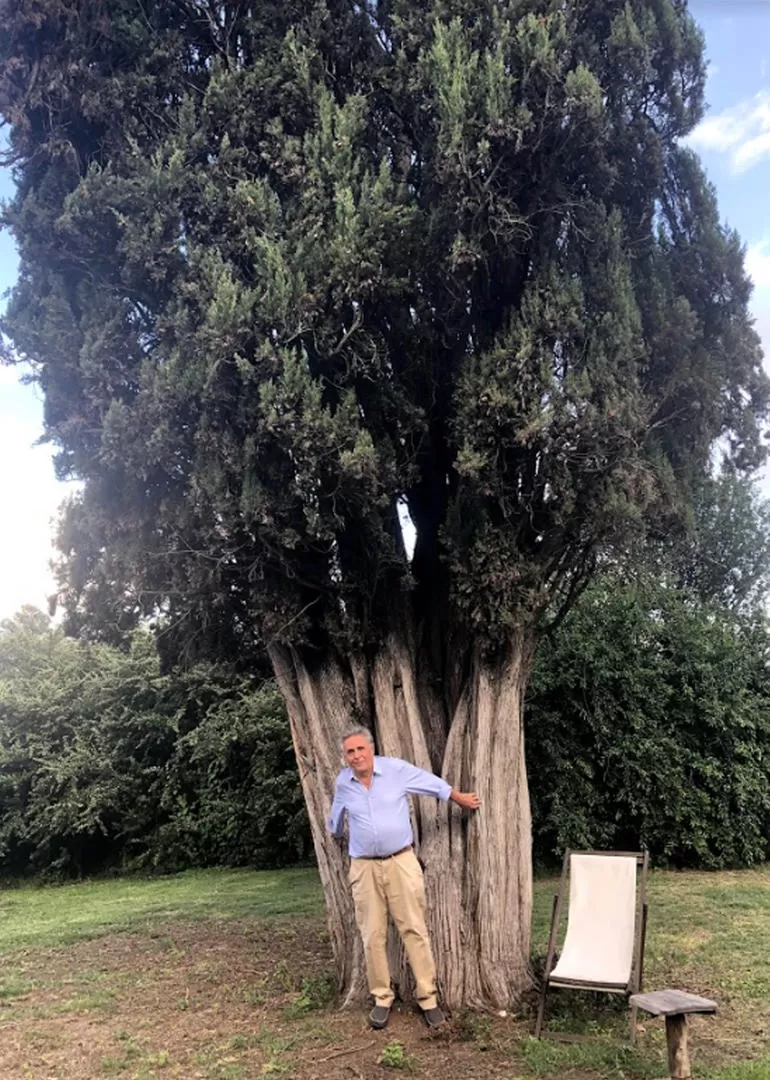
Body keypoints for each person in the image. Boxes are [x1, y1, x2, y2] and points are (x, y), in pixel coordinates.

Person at [327, 726, 481, 1030]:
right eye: (350, 752)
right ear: (345, 757)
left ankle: (428, 998)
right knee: (372, 934)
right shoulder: (344, 782)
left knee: (414, 929)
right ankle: (382, 998)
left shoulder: (395, 770)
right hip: (364, 867)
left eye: (361, 749)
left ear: (371, 749)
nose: (356, 756)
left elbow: (428, 783)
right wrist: (335, 827)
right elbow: (336, 818)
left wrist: (458, 797)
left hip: (400, 861)